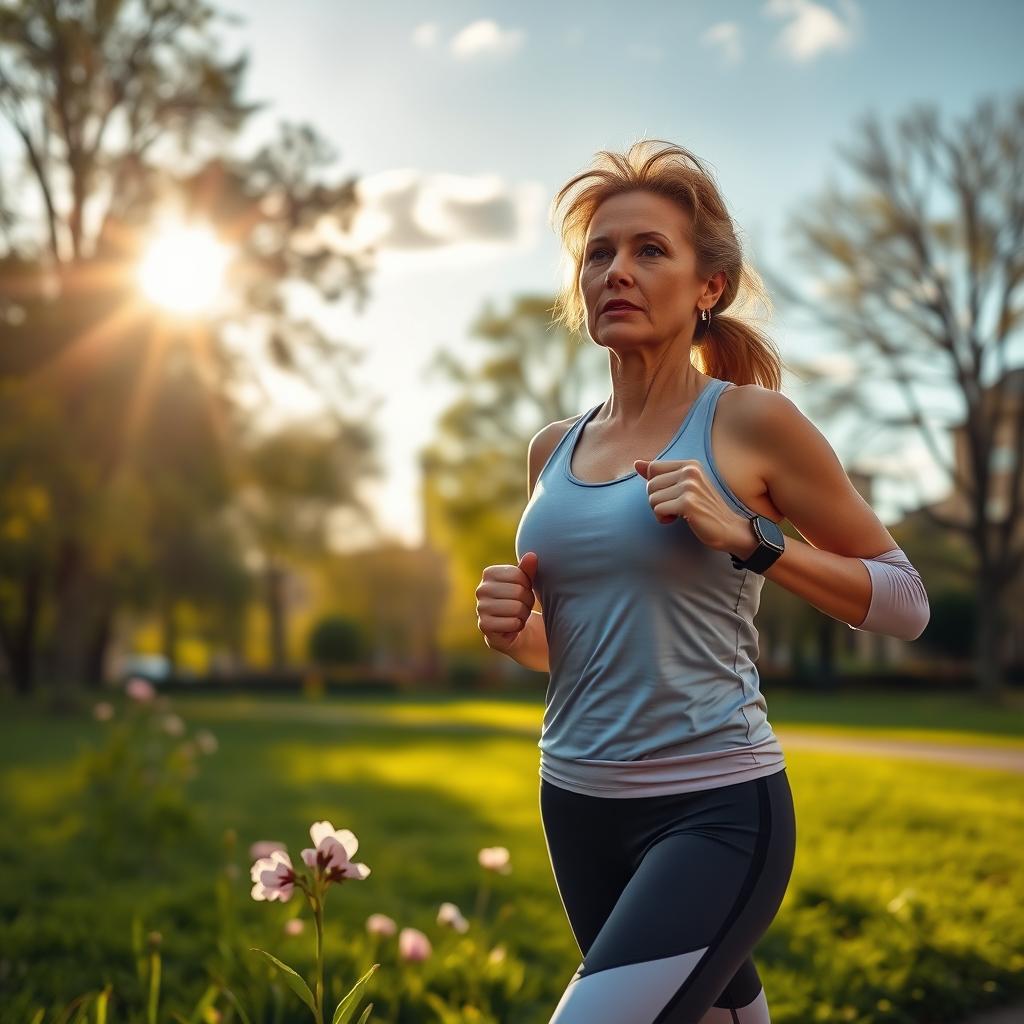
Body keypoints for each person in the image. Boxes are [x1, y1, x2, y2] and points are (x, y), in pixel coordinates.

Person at [475, 140, 930, 1023]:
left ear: (708, 287)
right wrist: (514, 629)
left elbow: (906, 601)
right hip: (574, 806)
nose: (617, 271)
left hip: (715, 811)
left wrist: (754, 540)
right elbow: (573, 651)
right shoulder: (551, 450)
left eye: (650, 250)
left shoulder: (752, 424)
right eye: (598, 254)